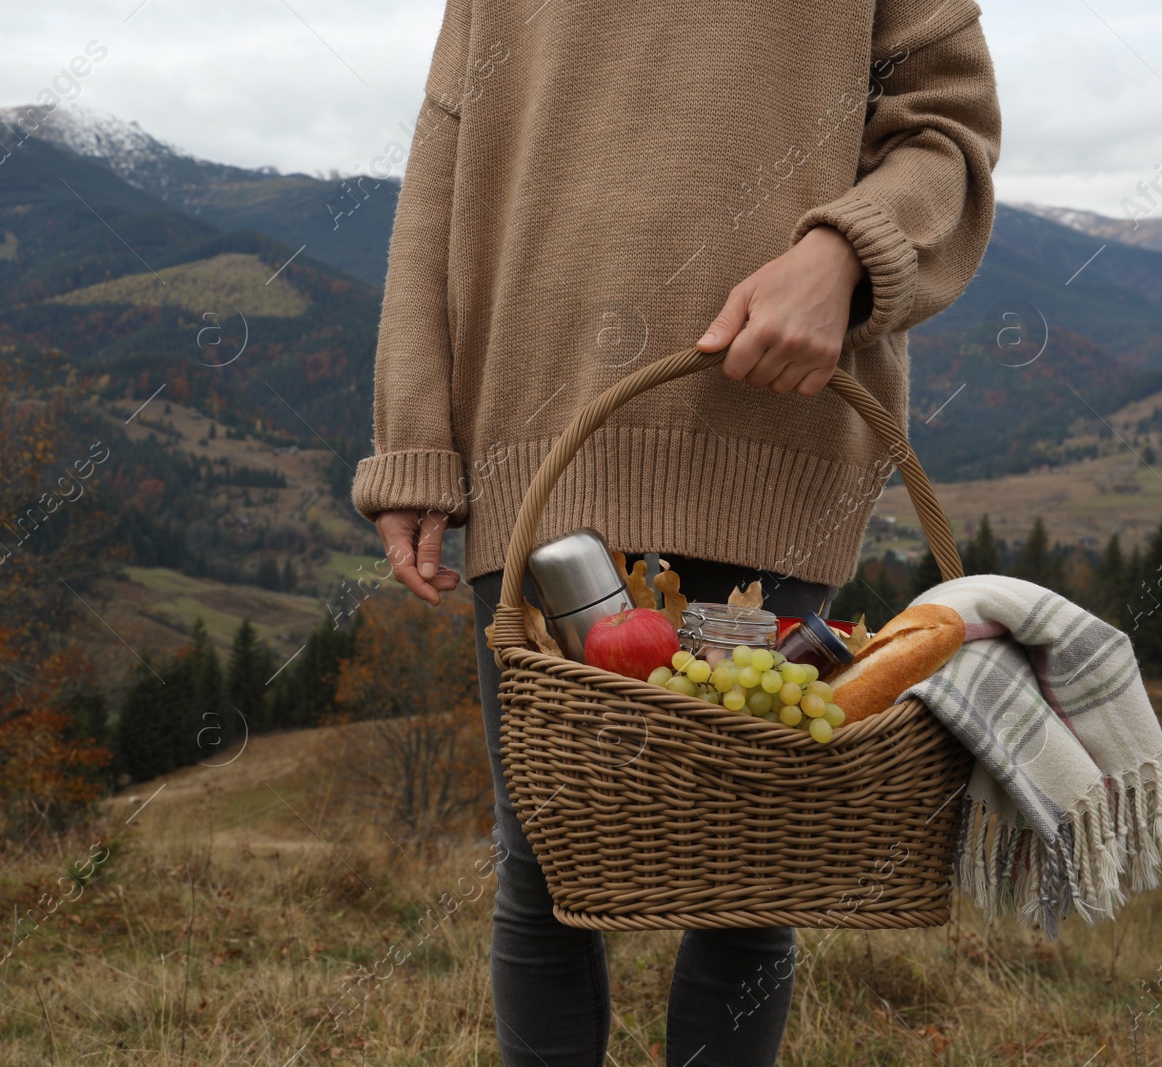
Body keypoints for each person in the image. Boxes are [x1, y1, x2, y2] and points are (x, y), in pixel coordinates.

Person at [350, 0, 1000, 1062]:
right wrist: (416, 439)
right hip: (538, 430)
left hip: (774, 430)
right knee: (543, 867)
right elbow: (443, 160)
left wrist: (843, 252)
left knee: (752, 878)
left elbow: (946, 133)